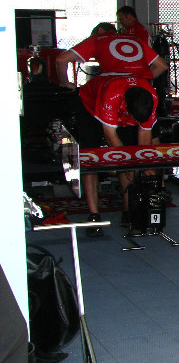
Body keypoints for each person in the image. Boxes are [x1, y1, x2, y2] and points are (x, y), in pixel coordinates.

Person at [56, 23, 167, 236]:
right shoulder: (116, 89)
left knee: (131, 154)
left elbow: (61, 60)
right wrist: (127, 165)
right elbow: (110, 135)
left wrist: (65, 82)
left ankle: (129, 212)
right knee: (92, 157)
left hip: (132, 94)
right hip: (91, 103)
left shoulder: (150, 96)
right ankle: (95, 216)